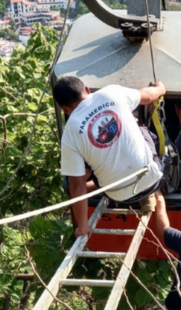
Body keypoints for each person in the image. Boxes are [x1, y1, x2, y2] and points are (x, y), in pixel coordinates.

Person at [53, 76, 167, 236]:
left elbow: (77, 185)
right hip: (151, 180)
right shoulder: (110, 93)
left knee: (82, 161)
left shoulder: (69, 134)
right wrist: (161, 89)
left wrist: (83, 226)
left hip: (117, 194)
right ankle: (150, 194)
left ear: (63, 108)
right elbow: (147, 96)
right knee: (140, 128)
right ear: (86, 89)